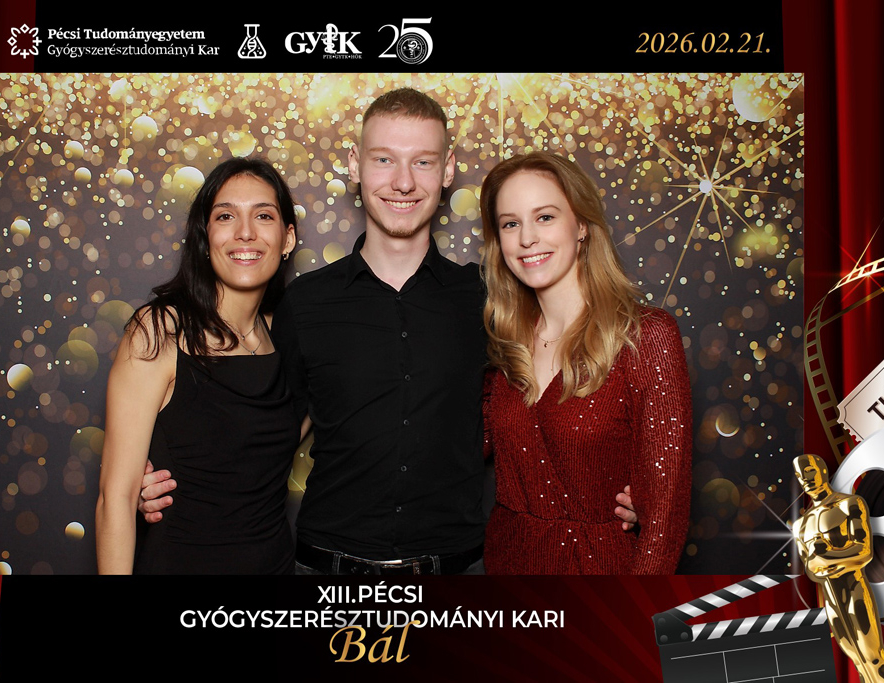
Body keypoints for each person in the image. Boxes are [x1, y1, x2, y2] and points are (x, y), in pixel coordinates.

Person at [138, 89, 639, 574]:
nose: (403, 182)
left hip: (458, 572)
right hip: (327, 573)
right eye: (384, 160)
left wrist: (633, 488)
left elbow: (559, 402)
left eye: (422, 162)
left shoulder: (493, 300)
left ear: (447, 171)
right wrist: (154, 477)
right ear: (355, 165)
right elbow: (260, 430)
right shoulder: (304, 303)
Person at [479, 151, 691, 574]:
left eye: (545, 217)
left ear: (581, 226)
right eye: (510, 224)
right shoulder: (503, 341)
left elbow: (664, 525)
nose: (527, 239)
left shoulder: (645, 337)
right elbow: (450, 454)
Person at [95, 157, 298, 574]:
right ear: (205, 238)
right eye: (226, 216)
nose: (245, 232)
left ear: (288, 238)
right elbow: (116, 499)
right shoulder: (159, 331)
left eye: (263, 215)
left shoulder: (291, 337)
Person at [793, 453, 884, 681]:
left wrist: (826, 556)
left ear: (822, 471)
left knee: (873, 657)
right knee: (858, 662)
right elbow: (810, 569)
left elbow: (863, 551)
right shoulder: (801, 526)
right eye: (800, 475)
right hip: (831, 599)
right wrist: (827, 560)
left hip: (854, 589)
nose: (805, 479)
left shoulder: (849, 504)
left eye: (809, 471)